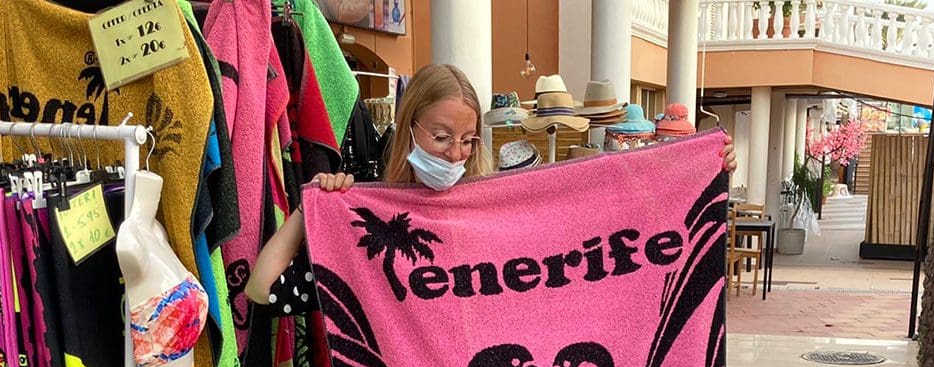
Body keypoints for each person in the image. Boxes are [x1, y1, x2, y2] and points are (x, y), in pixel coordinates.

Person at [245, 64, 737, 305]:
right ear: (408, 126)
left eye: (467, 140)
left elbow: (612, 237)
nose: (455, 154)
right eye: (441, 137)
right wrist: (311, 210)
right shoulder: (370, 228)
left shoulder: (493, 220)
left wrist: (702, 175)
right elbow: (262, 288)